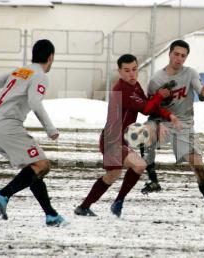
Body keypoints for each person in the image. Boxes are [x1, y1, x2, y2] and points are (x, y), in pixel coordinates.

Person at [74, 54, 180, 217]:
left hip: (119, 139)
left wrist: (169, 115)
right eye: (127, 70)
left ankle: (84, 207)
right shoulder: (121, 89)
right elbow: (146, 109)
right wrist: (160, 95)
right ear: (120, 72)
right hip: (112, 139)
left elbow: (148, 105)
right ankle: (118, 202)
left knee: (112, 175)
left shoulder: (135, 86)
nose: (132, 74)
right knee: (138, 165)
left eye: (134, 69)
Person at [140, 39, 204, 222]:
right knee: (143, 133)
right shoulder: (156, 80)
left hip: (184, 124)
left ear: (186, 57)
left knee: (199, 167)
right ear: (169, 54)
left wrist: (202, 94)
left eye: (183, 56)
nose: (179, 58)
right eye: (176, 54)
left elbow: (200, 92)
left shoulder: (191, 73)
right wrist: (160, 122)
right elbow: (150, 109)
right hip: (163, 122)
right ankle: (153, 180)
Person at [0, 39, 67, 226]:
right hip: (9, 128)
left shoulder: (20, 71)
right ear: (51, 57)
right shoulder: (39, 76)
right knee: (42, 164)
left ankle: (51, 215)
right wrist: (50, 129)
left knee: (33, 168)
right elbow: (35, 102)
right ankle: (3, 194)